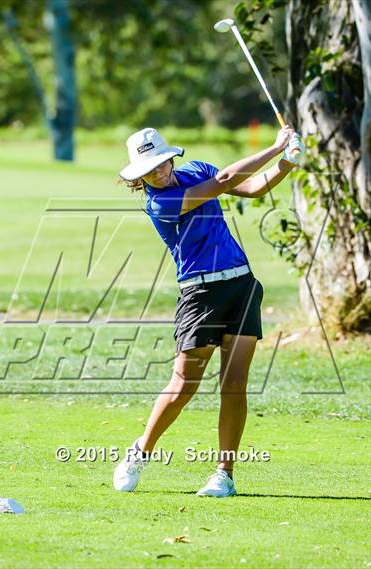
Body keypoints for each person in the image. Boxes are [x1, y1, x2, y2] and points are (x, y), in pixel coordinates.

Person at [113, 126, 304, 497]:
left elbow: (251, 187)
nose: (158, 173)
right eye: (149, 170)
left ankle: (224, 475)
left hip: (242, 285)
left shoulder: (196, 170)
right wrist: (274, 145)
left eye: (161, 164)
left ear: (170, 157)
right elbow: (226, 180)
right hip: (200, 293)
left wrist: (286, 164)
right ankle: (140, 452)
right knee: (185, 385)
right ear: (140, 176)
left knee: (233, 387)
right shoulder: (160, 203)